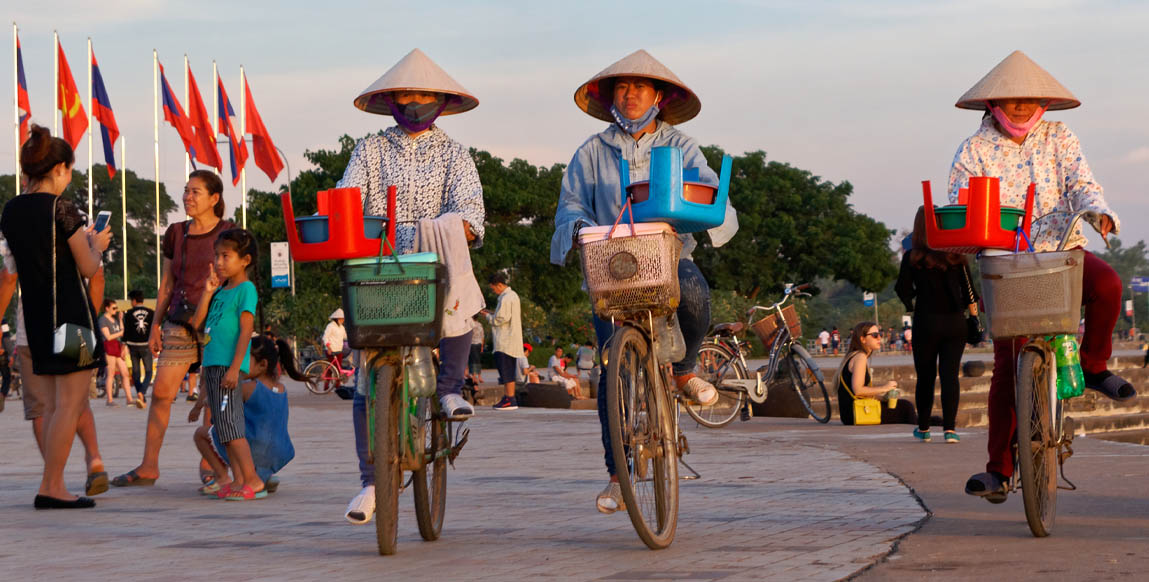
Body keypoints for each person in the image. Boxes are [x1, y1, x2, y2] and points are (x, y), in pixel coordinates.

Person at [550, 50, 739, 513]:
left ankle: (684, 369)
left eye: (640, 87)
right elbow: (571, 204)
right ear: (610, 96)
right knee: (610, 372)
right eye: (622, 87)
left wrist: (692, 216)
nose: (630, 94)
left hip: (668, 257)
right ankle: (618, 474)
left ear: (659, 96)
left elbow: (711, 196)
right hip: (610, 266)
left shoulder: (683, 147)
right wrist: (576, 228)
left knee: (695, 295)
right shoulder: (591, 151)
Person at [948, 51, 1136, 500]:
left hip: (1060, 251)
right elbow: (959, 199)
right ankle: (999, 470)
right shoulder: (974, 149)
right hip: (1005, 263)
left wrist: (1096, 212)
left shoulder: (1059, 136)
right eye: (1011, 99)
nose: (1021, 106)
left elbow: (1081, 182)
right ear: (993, 104)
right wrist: (963, 233)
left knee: (1108, 285)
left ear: (1043, 103)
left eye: (1030, 99)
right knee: (1007, 369)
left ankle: (1092, 365)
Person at [338, 49, 485, 525]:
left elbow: (471, 214)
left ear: (440, 101)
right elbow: (348, 199)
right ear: (392, 100)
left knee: (461, 290)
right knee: (366, 379)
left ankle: (448, 388)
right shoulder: (370, 149)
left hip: (435, 268)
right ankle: (369, 481)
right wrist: (349, 224)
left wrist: (447, 228)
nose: (415, 101)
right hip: (379, 269)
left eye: (423, 94)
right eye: (407, 93)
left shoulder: (455, 154)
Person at [1, 125, 112, 508]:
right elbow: (86, 266)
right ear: (60, 168)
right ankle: (52, 486)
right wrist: (95, 245)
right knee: (70, 403)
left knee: (50, 406)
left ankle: (52, 482)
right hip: (71, 316)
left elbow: (15, 267)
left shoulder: (11, 210)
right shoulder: (61, 208)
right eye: (69, 170)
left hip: (35, 317)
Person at [113, 170, 236, 488]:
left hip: (218, 320)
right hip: (179, 320)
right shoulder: (176, 233)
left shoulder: (229, 231)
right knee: (162, 393)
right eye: (186, 191)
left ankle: (211, 463)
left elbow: (239, 279)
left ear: (214, 198)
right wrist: (155, 324)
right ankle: (149, 466)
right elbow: (167, 283)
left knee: (213, 395)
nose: (188, 197)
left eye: (195, 191)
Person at [186, 228, 261, 500]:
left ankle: (253, 478)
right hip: (214, 367)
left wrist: (234, 367)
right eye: (216, 255)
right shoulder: (219, 292)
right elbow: (197, 325)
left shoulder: (246, 290)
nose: (219, 262)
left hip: (229, 368)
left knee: (233, 427)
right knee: (224, 429)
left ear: (245, 260)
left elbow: (245, 331)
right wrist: (207, 292)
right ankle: (239, 479)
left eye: (226, 256)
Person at [896, 206, 979, 443]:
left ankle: (923, 429)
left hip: (926, 322)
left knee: (926, 376)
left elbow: (902, 289)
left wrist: (911, 301)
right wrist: (973, 319)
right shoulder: (957, 257)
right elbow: (970, 293)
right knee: (950, 376)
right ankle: (950, 430)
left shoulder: (912, 258)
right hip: (955, 323)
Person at [191, 335, 303, 497]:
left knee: (203, 434)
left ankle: (223, 477)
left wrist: (208, 401)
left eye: (244, 361)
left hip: (256, 449)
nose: (239, 366)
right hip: (279, 451)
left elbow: (223, 410)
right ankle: (264, 475)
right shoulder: (281, 389)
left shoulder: (247, 388)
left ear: (262, 364)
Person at [835, 322, 917, 425]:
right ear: (862, 339)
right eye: (875, 335)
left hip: (853, 412)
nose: (879, 338)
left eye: (880, 334)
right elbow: (858, 390)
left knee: (903, 408)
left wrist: (883, 398)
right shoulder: (860, 357)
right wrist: (886, 387)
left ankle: (928, 423)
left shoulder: (855, 355)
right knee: (906, 407)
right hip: (857, 413)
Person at [485, 271, 523, 410]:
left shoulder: (506, 298)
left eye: (493, 288)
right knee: (508, 370)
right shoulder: (512, 296)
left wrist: (488, 317)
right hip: (510, 340)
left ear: (499, 285)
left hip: (505, 341)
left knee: (506, 371)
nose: (493, 291)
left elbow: (501, 318)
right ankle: (508, 397)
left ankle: (510, 398)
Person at [99, 299, 141, 408]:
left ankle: (129, 399)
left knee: (125, 373)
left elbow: (122, 332)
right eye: (113, 308)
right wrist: (120, 333)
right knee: (111, 373)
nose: (115, 310)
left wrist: (121, 320)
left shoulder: (114, 319)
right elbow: (108, 337)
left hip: (117, 346)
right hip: (109, 346)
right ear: (107, 308)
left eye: (116, 308)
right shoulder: (103, 320)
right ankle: (109, 399)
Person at [123, 289, 155, 399]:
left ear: (134, 300)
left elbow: (126, 331)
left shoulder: (128, 314)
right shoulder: (151, 313)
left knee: (135, 373)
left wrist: (124, 345)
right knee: (149, 372)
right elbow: (153, 329)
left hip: (132, 345)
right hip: (146, 345)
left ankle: (140, 394)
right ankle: (142, 392)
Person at [322, 308, 350, 374]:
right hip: (331, 350)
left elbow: (345, 336)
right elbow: (325, 337)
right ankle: (327, 384)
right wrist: (328, 347)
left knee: (338, 369)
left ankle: (337, 384)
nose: (343, 320)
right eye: (342, 319)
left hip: (339, 350)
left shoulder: (341, 327)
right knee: (332, 369)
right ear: (338, 318)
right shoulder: (330, 326)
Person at [467, 314, 485, 384]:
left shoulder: (470, 325)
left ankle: (474, 377)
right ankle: (479, 376)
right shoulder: (480, 325)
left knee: (472, 360)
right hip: (479, 344)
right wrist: (482, 346)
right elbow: (482, 336)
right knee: (478, 360)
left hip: (472, 344)